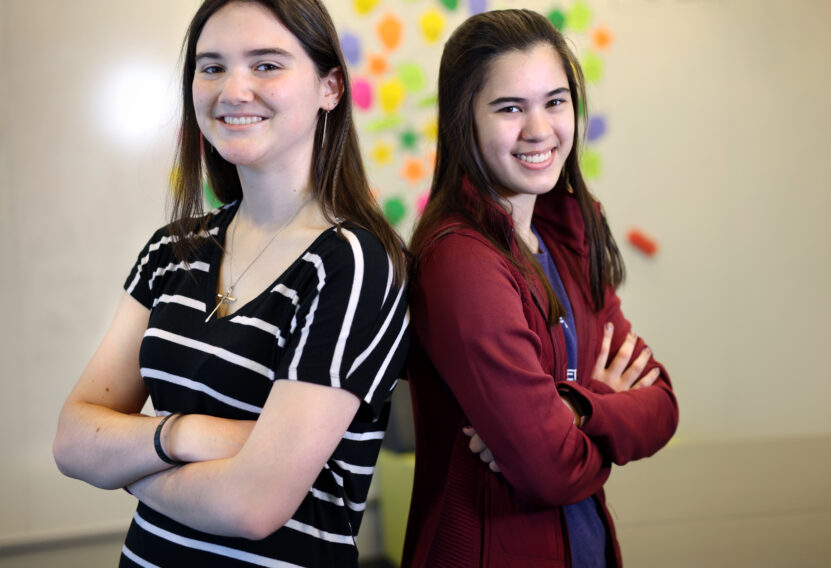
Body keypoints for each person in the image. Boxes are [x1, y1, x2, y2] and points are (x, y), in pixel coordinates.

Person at [52, 1, 409, 566]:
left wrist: (127, 465)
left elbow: (253, 505)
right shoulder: (172, 250)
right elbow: (73, 441)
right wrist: (185, 435)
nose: (234, 90)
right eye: (212, 66)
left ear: (331, 87)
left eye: (267, 65)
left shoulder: (353, 264)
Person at [403, 8, 679, 567]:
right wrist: (596, 407)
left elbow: (662, 405)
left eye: (555, 102)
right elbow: (550, 469)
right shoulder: (462, 262)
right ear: (465, 121)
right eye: (510, 108)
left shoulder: (567, 234)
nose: (539, 129)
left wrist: (573, 411)